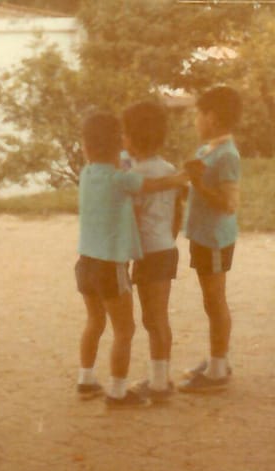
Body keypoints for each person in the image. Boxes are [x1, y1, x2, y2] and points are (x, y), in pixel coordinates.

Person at [74, 111, 187, 407]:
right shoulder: (125, 177)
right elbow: (156, 189)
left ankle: (86, 379)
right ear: (117, 145)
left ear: (85, 147)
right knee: (130, 328)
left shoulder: (87, 174)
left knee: (95, 321)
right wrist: (182, 178)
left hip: (86, 262)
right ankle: (120, 391)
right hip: (120, 262)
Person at [178, 86, 243, 393]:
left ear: (213, 118)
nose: (196, 121)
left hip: (215, 239)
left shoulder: (227, 155)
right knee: (210, 300)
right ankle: (217, 358)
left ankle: (218, 369)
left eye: (198, 115)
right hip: (203, 237)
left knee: (215, 301)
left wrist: (198, 184)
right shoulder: (209, 150)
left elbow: (229, 203)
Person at [121, 101, 184, 401]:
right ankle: (160, 377)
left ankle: (159, 383)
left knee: (153, 318)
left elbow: (131, 218)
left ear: (132, 138)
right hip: (166, 248)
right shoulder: (169, 169)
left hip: (149, 254)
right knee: (157, 317)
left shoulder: (136, 177)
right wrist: (168, 237)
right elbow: (177, 213)